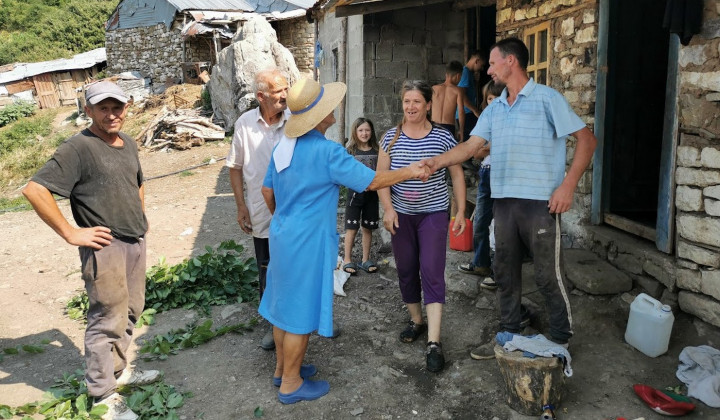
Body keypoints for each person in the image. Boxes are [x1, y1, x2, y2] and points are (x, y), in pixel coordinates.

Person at [423, 38, 597, 358]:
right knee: (504, 272)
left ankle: (560, 340)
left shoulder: (547, 99)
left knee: (547, 275)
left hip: (540, 203)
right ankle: (510, 335)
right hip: (503, 201)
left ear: (511, 62)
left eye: (492, 63)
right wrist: (436, 162)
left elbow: (586, 140)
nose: (488, 69)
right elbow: (471, 147)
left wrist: (568, 186)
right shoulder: (495, 108)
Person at [259, 78, 428, 404]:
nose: (333, 109)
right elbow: (371, 181)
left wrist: (287, 219)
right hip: (308, 243)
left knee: (282, 306)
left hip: (283, 237)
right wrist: (409, 171)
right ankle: (291, 384)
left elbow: (267, 191)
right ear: (320, 115)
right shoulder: (327, 151)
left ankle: (283, 370)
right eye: (328, 106)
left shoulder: (284, 145)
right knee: (299, 313)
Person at [22, 81, 160, 420]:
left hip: (134, 239)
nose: (111, 114)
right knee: (107, 318)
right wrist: (71, 233)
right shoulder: (77, 148)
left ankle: (117, 370)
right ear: (89, 111)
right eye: (103, 108)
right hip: (105, 246)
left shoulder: (127, 142)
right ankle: (102, 395)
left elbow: (138, 182)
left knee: (131, 309)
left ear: (126, 108)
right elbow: (34, 189)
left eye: (117, 107)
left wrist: (140, 217)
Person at [378, 80, 467, 373]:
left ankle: (434, 342)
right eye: (407, 102)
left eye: (417, 102)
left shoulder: (442, 137)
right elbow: (382, 179)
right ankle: (416, 320)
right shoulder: (390, 138)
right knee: (405, 269)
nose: (411, 107)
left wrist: (460, 209)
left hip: (433, 214)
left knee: (431, 269)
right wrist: (388, 209)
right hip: (401, 215)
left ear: (428, 104)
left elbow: (456, 174)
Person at [226, 69, 289, 351]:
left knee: (297, 261)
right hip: (262, 209)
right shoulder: (245, 124)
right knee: (267, 267)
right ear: (261, 96)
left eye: (286, 89)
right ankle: (272, 323)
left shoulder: (295, 121)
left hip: (293, 206)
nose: (285, 95)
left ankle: (303, 320)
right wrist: (241, 206)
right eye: (278, 92)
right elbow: (235, 167)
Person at [457, 80, 505, 292]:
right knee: (481, 220)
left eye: (497, 97)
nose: (493, 102)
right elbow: (475, 150)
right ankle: (481, 263)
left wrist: (487, 147)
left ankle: (500, 273)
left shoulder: (509, 118)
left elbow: (497, 145)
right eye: (489, 99)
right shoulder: (486, 118)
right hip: (486, 172)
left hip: (504, 173)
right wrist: (486, 148)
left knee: (503, 226)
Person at [342, 117, 380, 275]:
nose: (364, 133)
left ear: (372, 132)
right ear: (355, 132)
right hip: (354, 196)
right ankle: (347, 259)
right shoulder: (350, 151)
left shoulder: (377, 151)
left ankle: (365, 259)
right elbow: (345, 173)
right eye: (361, 130)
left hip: (372, 196)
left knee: (367, 227)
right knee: (351, 228)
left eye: (367, 130)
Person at [431, 61, 464, 139]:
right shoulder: (458, 91)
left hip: (434, 127)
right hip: (448, 128)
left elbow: (426, 108)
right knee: (448, 151)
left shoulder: (434, 89)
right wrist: (461, 131)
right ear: (458, 76)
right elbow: (461, 112)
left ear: (446, 74)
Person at [456, 51, 485, 142]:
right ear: (477, 61)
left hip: (467, 113)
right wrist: (475, 110)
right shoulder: (465, 73)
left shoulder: (468, 73)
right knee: (471, 142)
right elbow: (461, 96)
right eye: (482, 65)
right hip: (466, 113)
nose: (482, 68)